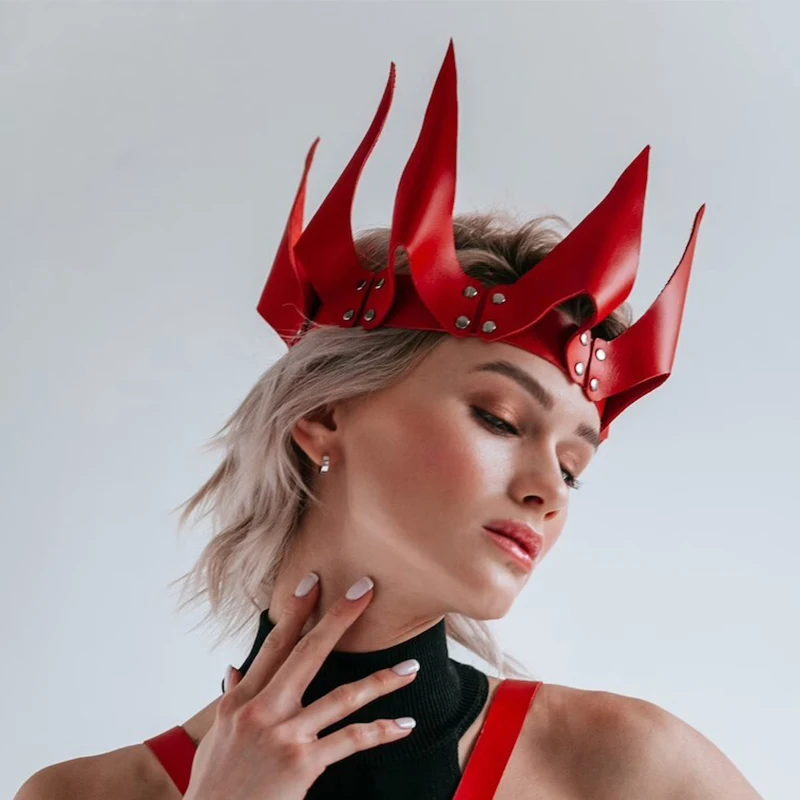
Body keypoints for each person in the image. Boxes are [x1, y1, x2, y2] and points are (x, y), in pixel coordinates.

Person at [15, 40, 763, 800]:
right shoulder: (80, 796)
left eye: (574, 468)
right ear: (321, 414)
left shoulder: (630, 769)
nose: (548, 491)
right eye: (500, 419)